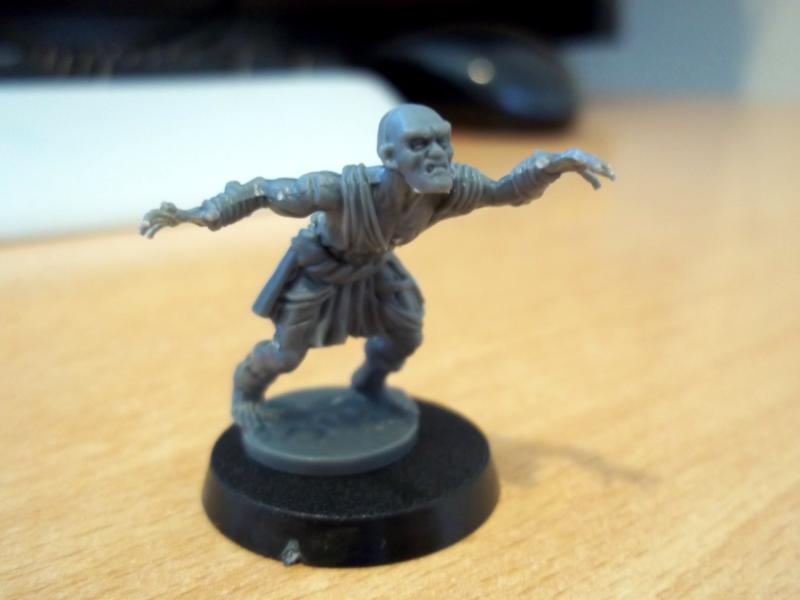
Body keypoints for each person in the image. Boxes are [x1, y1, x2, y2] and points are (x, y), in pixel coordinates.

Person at [140, 104, 614, 430]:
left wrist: (551, 165)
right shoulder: (341, 190)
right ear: (389, 155)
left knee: (407, 334)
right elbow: (264, 191)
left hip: (375, 266)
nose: (436, 154)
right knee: (285, 354)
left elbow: (504, 191)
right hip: (320, 268)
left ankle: (368, 381)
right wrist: (202, 213)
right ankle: (245, 390)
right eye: (419, 144)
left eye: (441, 142)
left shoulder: (447, 190)